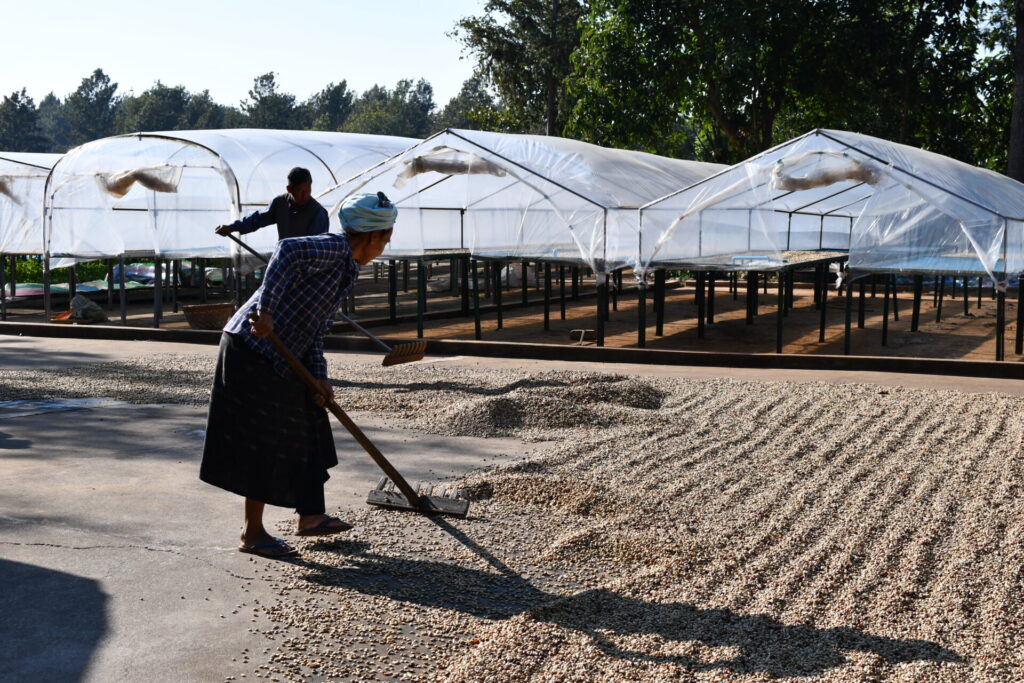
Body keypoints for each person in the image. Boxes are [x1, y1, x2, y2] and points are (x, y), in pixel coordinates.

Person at [200, 192, 396, 558]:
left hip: (284, 351)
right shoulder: (333, 249)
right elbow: (286, 250)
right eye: (385, 239)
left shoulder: (346, 268)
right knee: (266, 435)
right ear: (371, 236)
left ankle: (311, 515)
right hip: (251, 347)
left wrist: (319, 377)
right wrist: (267, 310)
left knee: (310, 422)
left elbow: (316, 328)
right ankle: (252, 533)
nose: (384, 247)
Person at [215, 167, 328, 240]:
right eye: (300, 191)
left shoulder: (318, 213)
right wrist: (232, 227)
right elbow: (256, 219)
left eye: (308, 190)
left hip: (307, 266)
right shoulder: (280, 203)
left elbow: (317, 246)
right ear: (289, 189)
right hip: (285, 260)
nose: (305, 195)